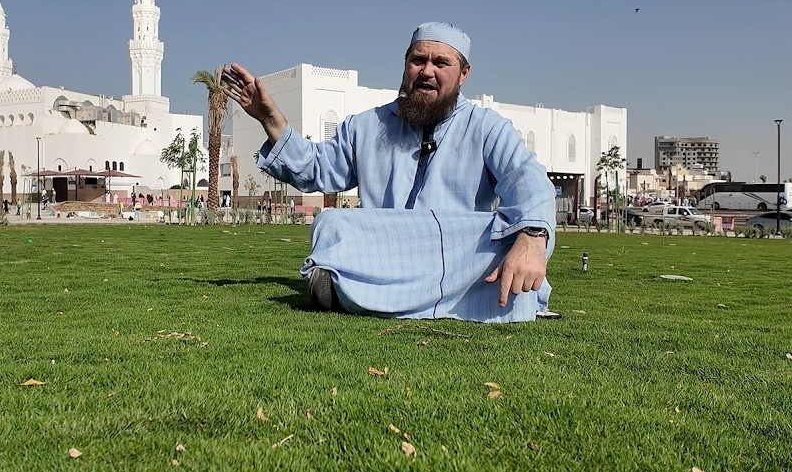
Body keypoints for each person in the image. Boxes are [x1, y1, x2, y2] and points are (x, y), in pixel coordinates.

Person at [223, 22, 558, 322]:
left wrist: (531, 239)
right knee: (331, 223)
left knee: (515, 231)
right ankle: (434, 299)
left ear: (463, 74)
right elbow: (318, 169)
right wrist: (270, 119)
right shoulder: (366, 126)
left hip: (457, 256)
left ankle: (355, 293)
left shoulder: (486, 128)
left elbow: (528, 180)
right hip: (384, 250)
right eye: (418, 60)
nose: (427, 71)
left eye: (441, 63)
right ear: (405, 66)